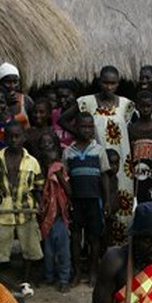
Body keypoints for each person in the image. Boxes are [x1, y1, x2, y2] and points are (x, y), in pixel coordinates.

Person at [61, 66, 135, 244]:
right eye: (105, 82)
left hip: (121, 163)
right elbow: (62, 119)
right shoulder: (86, 103)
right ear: (99, 81)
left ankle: (118, 247)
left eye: (113, 83)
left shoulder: (127, 105)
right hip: (95, 161)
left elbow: (129, 131)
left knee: (120, 201)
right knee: (96, 205)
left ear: (118, 83)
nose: (109, 87)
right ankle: (94, 250)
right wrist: (80, 134)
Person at [0, 121, 43, 284]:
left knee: (30, 247)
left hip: (27, 210)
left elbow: (37, 188)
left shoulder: (32, 161)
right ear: (5, 138)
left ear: (23, 137)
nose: (14, 140)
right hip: (5, 210)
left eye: (17, 136)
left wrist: (41, 204)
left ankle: (26, 280)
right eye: (10, 137)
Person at [63, 113, 110, 286]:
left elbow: (105, 177)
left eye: (90, 127)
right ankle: (77, 273)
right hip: (76, 202)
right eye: (83, 126)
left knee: (94, 238)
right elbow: (65, 176)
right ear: (76, 128)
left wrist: (106, 201)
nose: (87, 130)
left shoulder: (99, 150)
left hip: (94, 201)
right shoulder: (68, 152)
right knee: (75, 238)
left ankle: (93, 272)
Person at [39, 138, 72, 293]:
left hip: (59, 217)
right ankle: (49, 276)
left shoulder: (60, 169)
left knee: (63, 251)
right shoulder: (40, 170)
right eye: (44, 148)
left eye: (51, 147)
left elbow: (69, 191)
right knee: (49, 250)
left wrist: (57, 173)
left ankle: (64, 279)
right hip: (46, 218)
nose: (48, 151)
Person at [128, 90, 152, 205]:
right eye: (142, 106)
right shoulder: (131, 129)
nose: (145, 109)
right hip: (137, 177)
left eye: (148, 106)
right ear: (137, 107)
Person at [0, 62, 33, 129]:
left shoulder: (26, 100)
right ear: (0, 83)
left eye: (15, 82)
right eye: (8, 82)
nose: (12, 86)